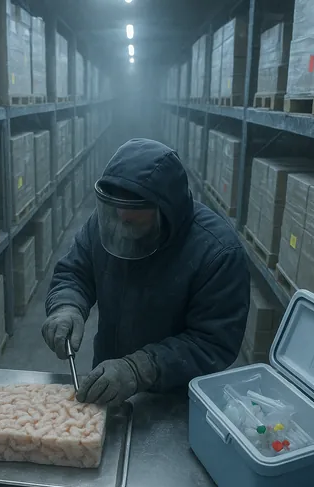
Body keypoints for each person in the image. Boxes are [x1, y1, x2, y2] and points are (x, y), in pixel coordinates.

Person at [42, 138, 250, 406]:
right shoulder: (111, 221)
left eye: (134, 211)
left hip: (175, 397)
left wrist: (141, 368)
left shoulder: (218, 253)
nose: (121, 217)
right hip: (108, 380)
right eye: (115, 207)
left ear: (166, 208)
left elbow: (213, 342)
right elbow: (75, 271)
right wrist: (66, 306)